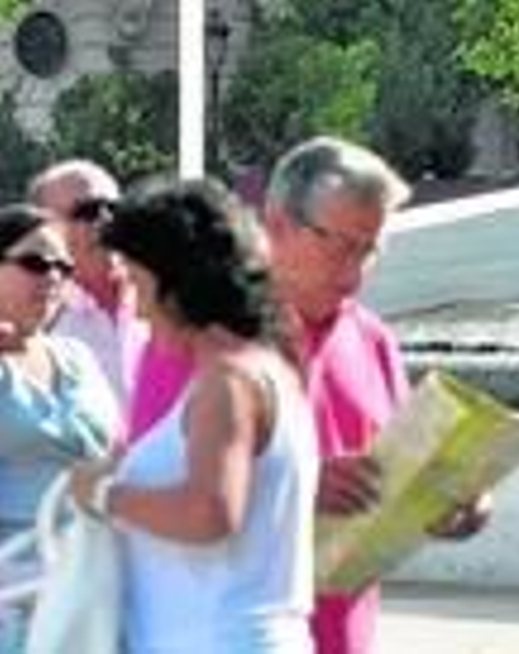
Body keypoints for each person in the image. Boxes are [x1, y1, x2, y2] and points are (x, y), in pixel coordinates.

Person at [126, 137, 489, 654]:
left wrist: (451, 500)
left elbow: (395, 477)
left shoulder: (372, 339)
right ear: (276, 223)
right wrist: (295, 486)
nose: (356, 269)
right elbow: (150, 487)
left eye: (371, 249)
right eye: (340, 244)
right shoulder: (193, 334)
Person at [68, 179, 320, 653]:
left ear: (180, 283)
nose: (139, 310)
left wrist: (102, 493)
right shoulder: (266, 369)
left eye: (141, 284)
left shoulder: (227, 383)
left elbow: (210, 512)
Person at [0, 205, 120, 650]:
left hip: (93, 587)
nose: (52, 277)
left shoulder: (78, 357)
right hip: (14, 600)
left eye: (63, 267)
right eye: (35, 262)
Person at [28, 161, 148, 411]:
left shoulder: (166, 297)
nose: (106, 220)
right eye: (87, 211)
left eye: (114, 208)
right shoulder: (32, 321)